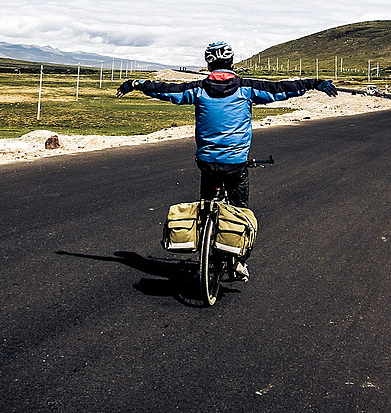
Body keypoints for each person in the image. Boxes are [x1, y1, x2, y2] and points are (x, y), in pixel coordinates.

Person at [116, 41, 338, 280]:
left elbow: (166, 89)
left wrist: (136, 84)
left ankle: (205, 239)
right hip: (236, 164)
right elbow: (281, 88)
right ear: (232, 64)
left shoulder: (198, 89)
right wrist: (314, 83)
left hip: (207, 163)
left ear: (208, 64)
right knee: (240, 210)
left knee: (206, 205)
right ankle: (238, 261)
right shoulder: (246, 88)